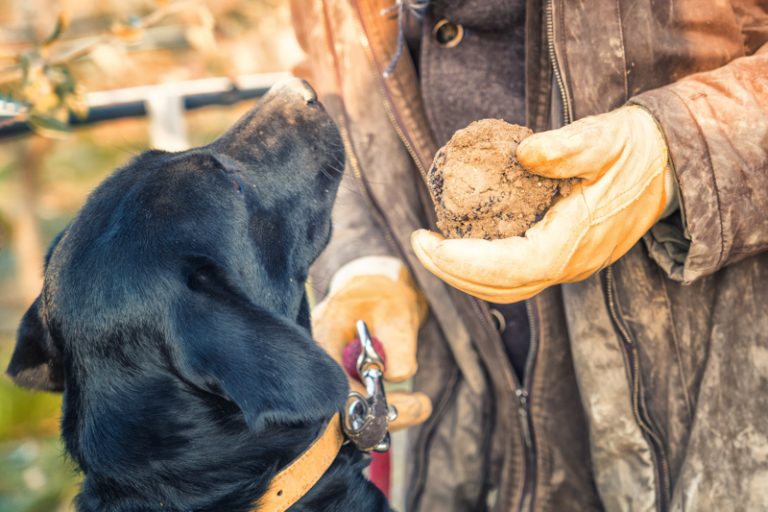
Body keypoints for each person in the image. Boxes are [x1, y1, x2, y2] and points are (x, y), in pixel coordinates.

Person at [291, 1, 768, 510]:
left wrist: (679, 149)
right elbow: (328, 99)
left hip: (714, 427)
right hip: (462, 451)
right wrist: (364, 265)